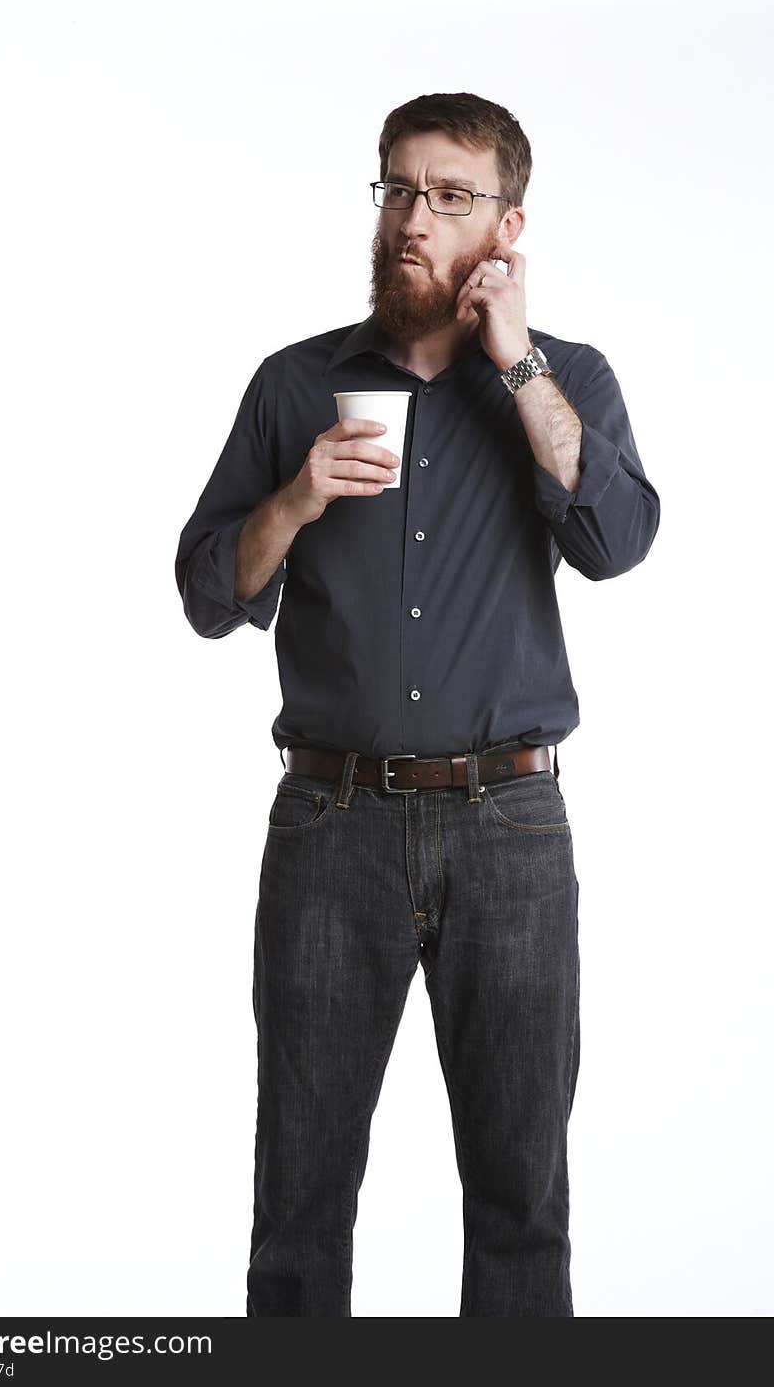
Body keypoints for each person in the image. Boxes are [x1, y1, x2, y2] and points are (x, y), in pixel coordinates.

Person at [173, 92, 660, 1317]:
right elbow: (204, 591)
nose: (411, 218)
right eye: (396, 189)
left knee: (518, 1201)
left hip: (511, 830)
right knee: (298, 1195)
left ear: (506, 225)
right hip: (330, 826)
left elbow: (617, 538)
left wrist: (521, 361)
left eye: (448, 196)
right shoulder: (297, 385)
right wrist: (290, 501)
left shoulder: (565, 379)